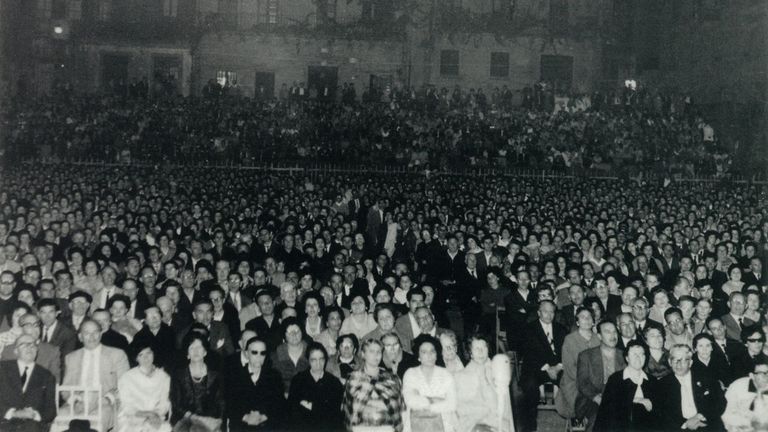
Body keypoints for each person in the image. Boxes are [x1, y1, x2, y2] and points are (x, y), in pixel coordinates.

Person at [61, 319, 130, 432]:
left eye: (95, 332)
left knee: (97, 422)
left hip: (105, 403)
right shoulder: (71, 357)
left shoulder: (117, 354)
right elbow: (66, 388)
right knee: (60, 418)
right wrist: (74, 400)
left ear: (101, 334)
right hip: (78, 402)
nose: (92, 337)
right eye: (87, 333)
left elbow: (125, 386)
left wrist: (107, 399)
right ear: (80, 337)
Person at [520, 300, 565, 432]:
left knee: (572, 381)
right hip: (536, 367)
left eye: (552, 311)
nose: (549, 315)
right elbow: (529, 352)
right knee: (529, 385)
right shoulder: (529, 329)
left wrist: (557, 367)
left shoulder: (561, 329)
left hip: (558, 367)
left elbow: (566, 351)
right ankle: (529, 427)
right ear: (539, 313)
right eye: (545, 311)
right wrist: (547, 367)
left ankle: (573, 421)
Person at [657, 344, 725, 431]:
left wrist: (699, 416)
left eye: (684, 360)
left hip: (707, 424)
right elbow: (662, 414)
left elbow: (720, 402)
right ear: (670, 362)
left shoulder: (706, 377)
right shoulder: (662, 384)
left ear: (690, 363)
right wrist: (686, 424)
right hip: (680, 428)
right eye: (675, 360)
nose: (679, 365)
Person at [224, 336, 286, 431]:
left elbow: (279, 404)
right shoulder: (235, 376)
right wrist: (246, 417)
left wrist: (263, 417)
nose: (259, 356)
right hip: (242, 425)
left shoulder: (274, 376)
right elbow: (230, 404)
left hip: (267, 424)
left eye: (263, 353)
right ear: (246, 353)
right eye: (254, 352)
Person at [342, 338, 404, 432]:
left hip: (387, 428)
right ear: (363, 354)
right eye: (371, 351)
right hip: (361, 428)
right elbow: (348, 409)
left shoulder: (392, 378)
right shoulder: (353, 378)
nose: (376, 355)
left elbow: (400, 408)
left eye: (378, 352)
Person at [454, 334, 513, 432]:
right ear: (470, 352)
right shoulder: (461, 376)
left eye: (483, 348)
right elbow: (462, 409)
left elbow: (505, 406)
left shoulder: (497, 371)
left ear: (488, 350)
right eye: (476, 348)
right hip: (474, 424)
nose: (481, 352)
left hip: (498, 423)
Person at [575, 320, 626, 432]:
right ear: (599, 336)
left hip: (617, 399)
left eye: (615, 332)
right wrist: (598, 398)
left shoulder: (623, 355)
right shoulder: (586, 356)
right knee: (598, 418)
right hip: (592, 399)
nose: (613, 336)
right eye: (607, 332)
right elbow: (583, 383)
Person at [594, 340, 655, 432]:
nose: (638, 357)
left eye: (641, 354)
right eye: (634, 354)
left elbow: (658, 411)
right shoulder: (616, 379)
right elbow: (608, 409)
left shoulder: (652, 380)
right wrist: (636, 400)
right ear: (627, 358)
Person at [0, 334, 57, 432]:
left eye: (32, 344)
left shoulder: (46, 376)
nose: (29, 347)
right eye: (24, 344)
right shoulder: (2, 369)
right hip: (4, 423)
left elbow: (51, 410)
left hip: (32, 426)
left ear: (37, 350)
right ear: (16, 351)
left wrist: (34, 415)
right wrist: (14, 413)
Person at [402, 334, 457, 432]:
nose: (429, 355)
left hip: (444, 425)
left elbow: (452, 404)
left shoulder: (446, 374)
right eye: (424, 352)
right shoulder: (410, 373)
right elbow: (410, 401)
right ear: (418, 356)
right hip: (416, 425)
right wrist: (437, 400)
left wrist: (423, 399)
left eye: (432, 351)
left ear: (437, 354)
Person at [171, 333, 224, 432]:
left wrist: (218, 420)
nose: (195, 351)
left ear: (205, 352)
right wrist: (196, 418)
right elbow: (176, 404)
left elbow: (220, 402)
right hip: (186, 420)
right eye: (191, 348)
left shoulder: (216, 375)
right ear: (187, 354)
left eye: (199, 347)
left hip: (209, 420)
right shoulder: (178, 375)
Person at [555, 306, 601, 420]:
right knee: (590, 403)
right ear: (577, 322)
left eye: (589, 317)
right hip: (574, 383)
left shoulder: (598, 339)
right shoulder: (569, 340)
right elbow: (569, 369)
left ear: (593, 320)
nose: (587, 320)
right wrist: (588, 384)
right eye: (583, 317)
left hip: (595, 382)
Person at [287, 342, 344, 431]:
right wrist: (321, 408)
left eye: (321, 359)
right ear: (308, 360)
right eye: (314, 360)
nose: (318, 364)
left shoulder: (334, 382)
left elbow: (335, 414)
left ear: (325, 360)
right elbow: (292, 410)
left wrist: (311, 406)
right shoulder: (298, 380)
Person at [116, 342, 172, 432]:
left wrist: (155, 414)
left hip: (155, 417)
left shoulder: (164, 377)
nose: (146, 358)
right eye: (141, 355)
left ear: (153, 354)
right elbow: (126, 404)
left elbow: (164, 402)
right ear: (136, 358)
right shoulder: (127, 377)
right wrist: (144, 414)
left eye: (148, 353)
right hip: (133, 418)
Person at [721, 356, 768, 432]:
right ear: (751, 375)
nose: (766, 377)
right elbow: (725, 413)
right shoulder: (738, 386)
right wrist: (747, 422)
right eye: (762, 373)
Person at [270, 317, 309, 394]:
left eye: (297, 331)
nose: (294, 335)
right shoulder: (275, 356)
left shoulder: (311, 352)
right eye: (290, 332)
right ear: (284, 335)